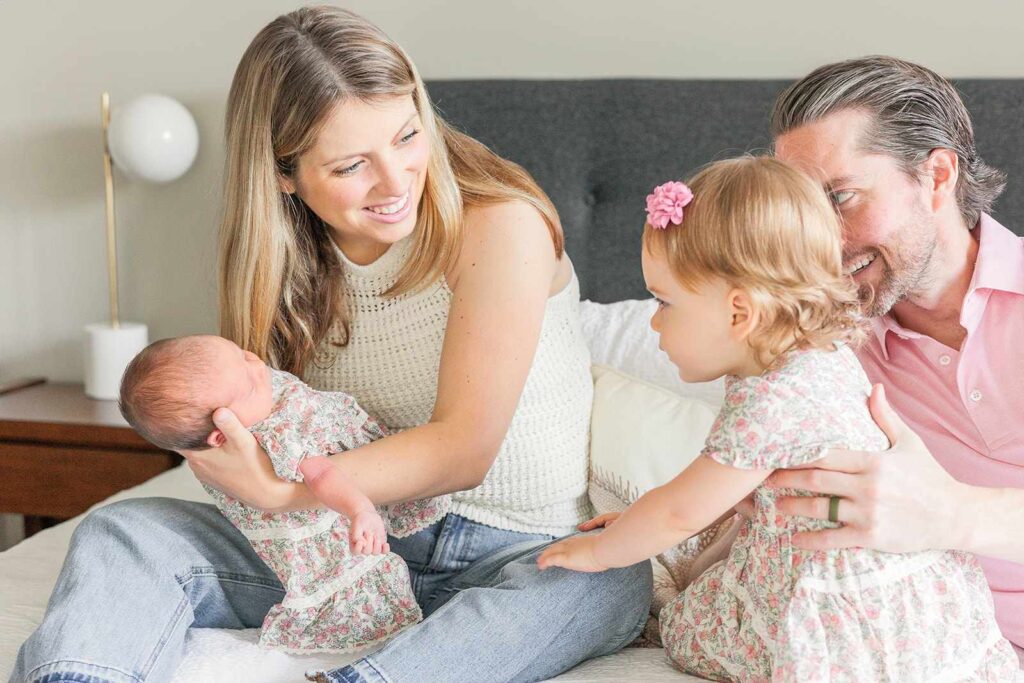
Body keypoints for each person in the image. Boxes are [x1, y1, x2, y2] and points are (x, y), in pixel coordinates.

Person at [12, 7, 651, 683]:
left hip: (511, 549)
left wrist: (287, 495)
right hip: (342, 549)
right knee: (123, 532)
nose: (397, 180)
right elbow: (276, 425)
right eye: (352, 165)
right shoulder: (281, 265)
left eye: (408, 135)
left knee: (611, 580)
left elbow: (463, 449)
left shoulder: (499, 227)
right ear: (284, 174)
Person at [537, 157, 1019, 680]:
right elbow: (721, 496)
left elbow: (680, 511)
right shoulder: (825, 353)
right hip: (912, 599)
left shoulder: (770, 399)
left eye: (663, 302)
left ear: (740, 314)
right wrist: (638, 523)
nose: (653, 322)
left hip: (844, 602)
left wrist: (602, 552)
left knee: (688, 629)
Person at [769, 56, 1024, 657]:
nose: (822, 244)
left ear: (936, 175)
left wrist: (950, 511)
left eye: (841, 197)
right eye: (805, 213)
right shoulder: (828, 347)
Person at [118, 334, 441, 653]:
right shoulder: (278, 436)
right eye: (250, 383)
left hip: (388, 470)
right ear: (222, 434)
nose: (257, 364)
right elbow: (325, 475)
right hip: (344, 507)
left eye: (241, 353)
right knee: (114, 524)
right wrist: (360, 510)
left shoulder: (253, 397)